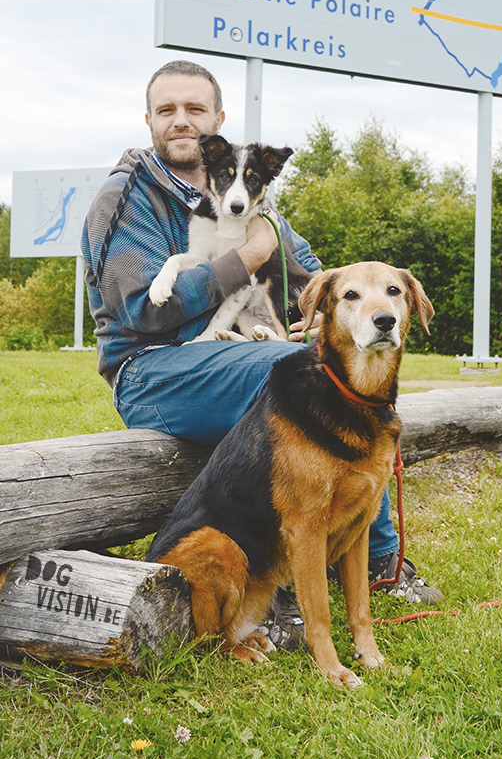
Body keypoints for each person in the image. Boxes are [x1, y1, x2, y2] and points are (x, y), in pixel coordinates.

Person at [82, 58, 440, 648]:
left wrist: (345, 314)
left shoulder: (248, 190)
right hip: (153, 368)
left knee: (340, 375)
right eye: (167, 110)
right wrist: (246, 258)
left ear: (218, 119)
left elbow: (311, 281)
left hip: (236, 350)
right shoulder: (125, 198)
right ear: (147, 119)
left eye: (195, 110)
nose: (181, 122)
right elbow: (139, 312)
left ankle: (376, 563)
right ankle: (299, 585)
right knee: (285, 373)